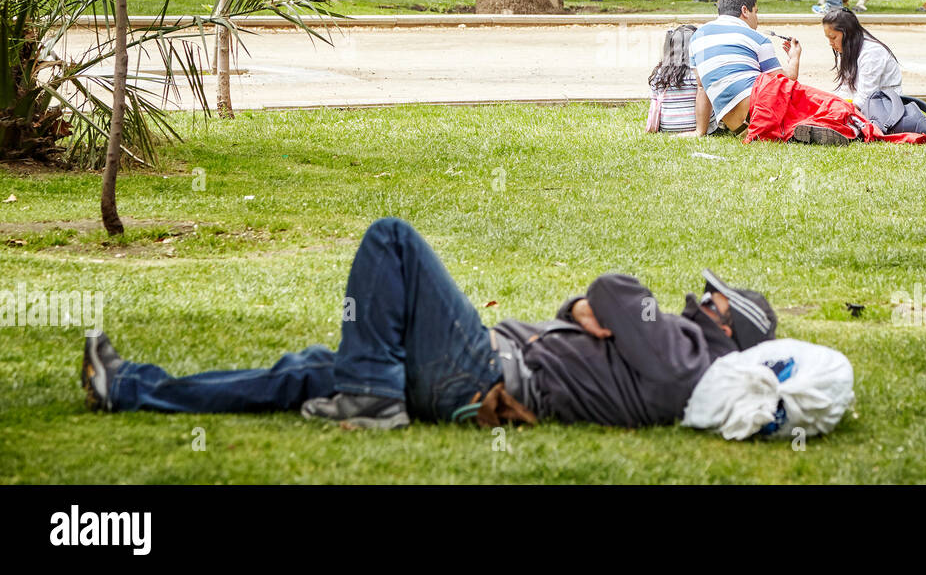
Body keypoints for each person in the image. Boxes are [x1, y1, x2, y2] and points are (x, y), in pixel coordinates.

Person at [81, 218, 778, 430]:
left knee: (392, 240)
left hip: (485, 374)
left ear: (728, 325)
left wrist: (608, 303)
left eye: (713, 300)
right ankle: (132, 389)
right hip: (480, 371)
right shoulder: (677, 348)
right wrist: (574, 312)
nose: (700, 298)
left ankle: (373, 398)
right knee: (301, 371)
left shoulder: (690, 360)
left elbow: (616, 290)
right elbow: (602, 309)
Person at [687, 0, 800, 136]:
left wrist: (699, 131)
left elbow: (702, 88)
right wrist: (795, 57)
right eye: (756, 12)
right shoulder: (757, 38)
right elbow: (785, 81)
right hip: (762, 115)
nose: (757, 19)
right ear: (745, 10)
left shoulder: (697, 37)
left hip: (739, 128)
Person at [821, 7, 902, 109]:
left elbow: (865, 98)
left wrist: (839, 110)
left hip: (885, 110)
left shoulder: (872, 53)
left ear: (848, 34)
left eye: (833, 37)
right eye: (828, 38)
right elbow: (845, 90)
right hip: (867, 106)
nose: (830, 43)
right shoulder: (849, 50)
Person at [647, 24, 714, 134]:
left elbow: (654, 101)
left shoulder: (660, 74)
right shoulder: (698, 72)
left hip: (668, 127)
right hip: (702, 126)